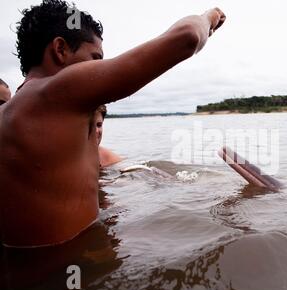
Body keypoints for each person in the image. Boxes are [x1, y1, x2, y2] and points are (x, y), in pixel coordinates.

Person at [0, 0, 226, 247]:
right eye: (95, 58)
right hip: (77, 271)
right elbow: (188, 37)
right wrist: (209, 17)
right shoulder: (55, 93)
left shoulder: (10, 112)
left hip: (27, 274)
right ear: (60, 49)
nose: (99, 68)